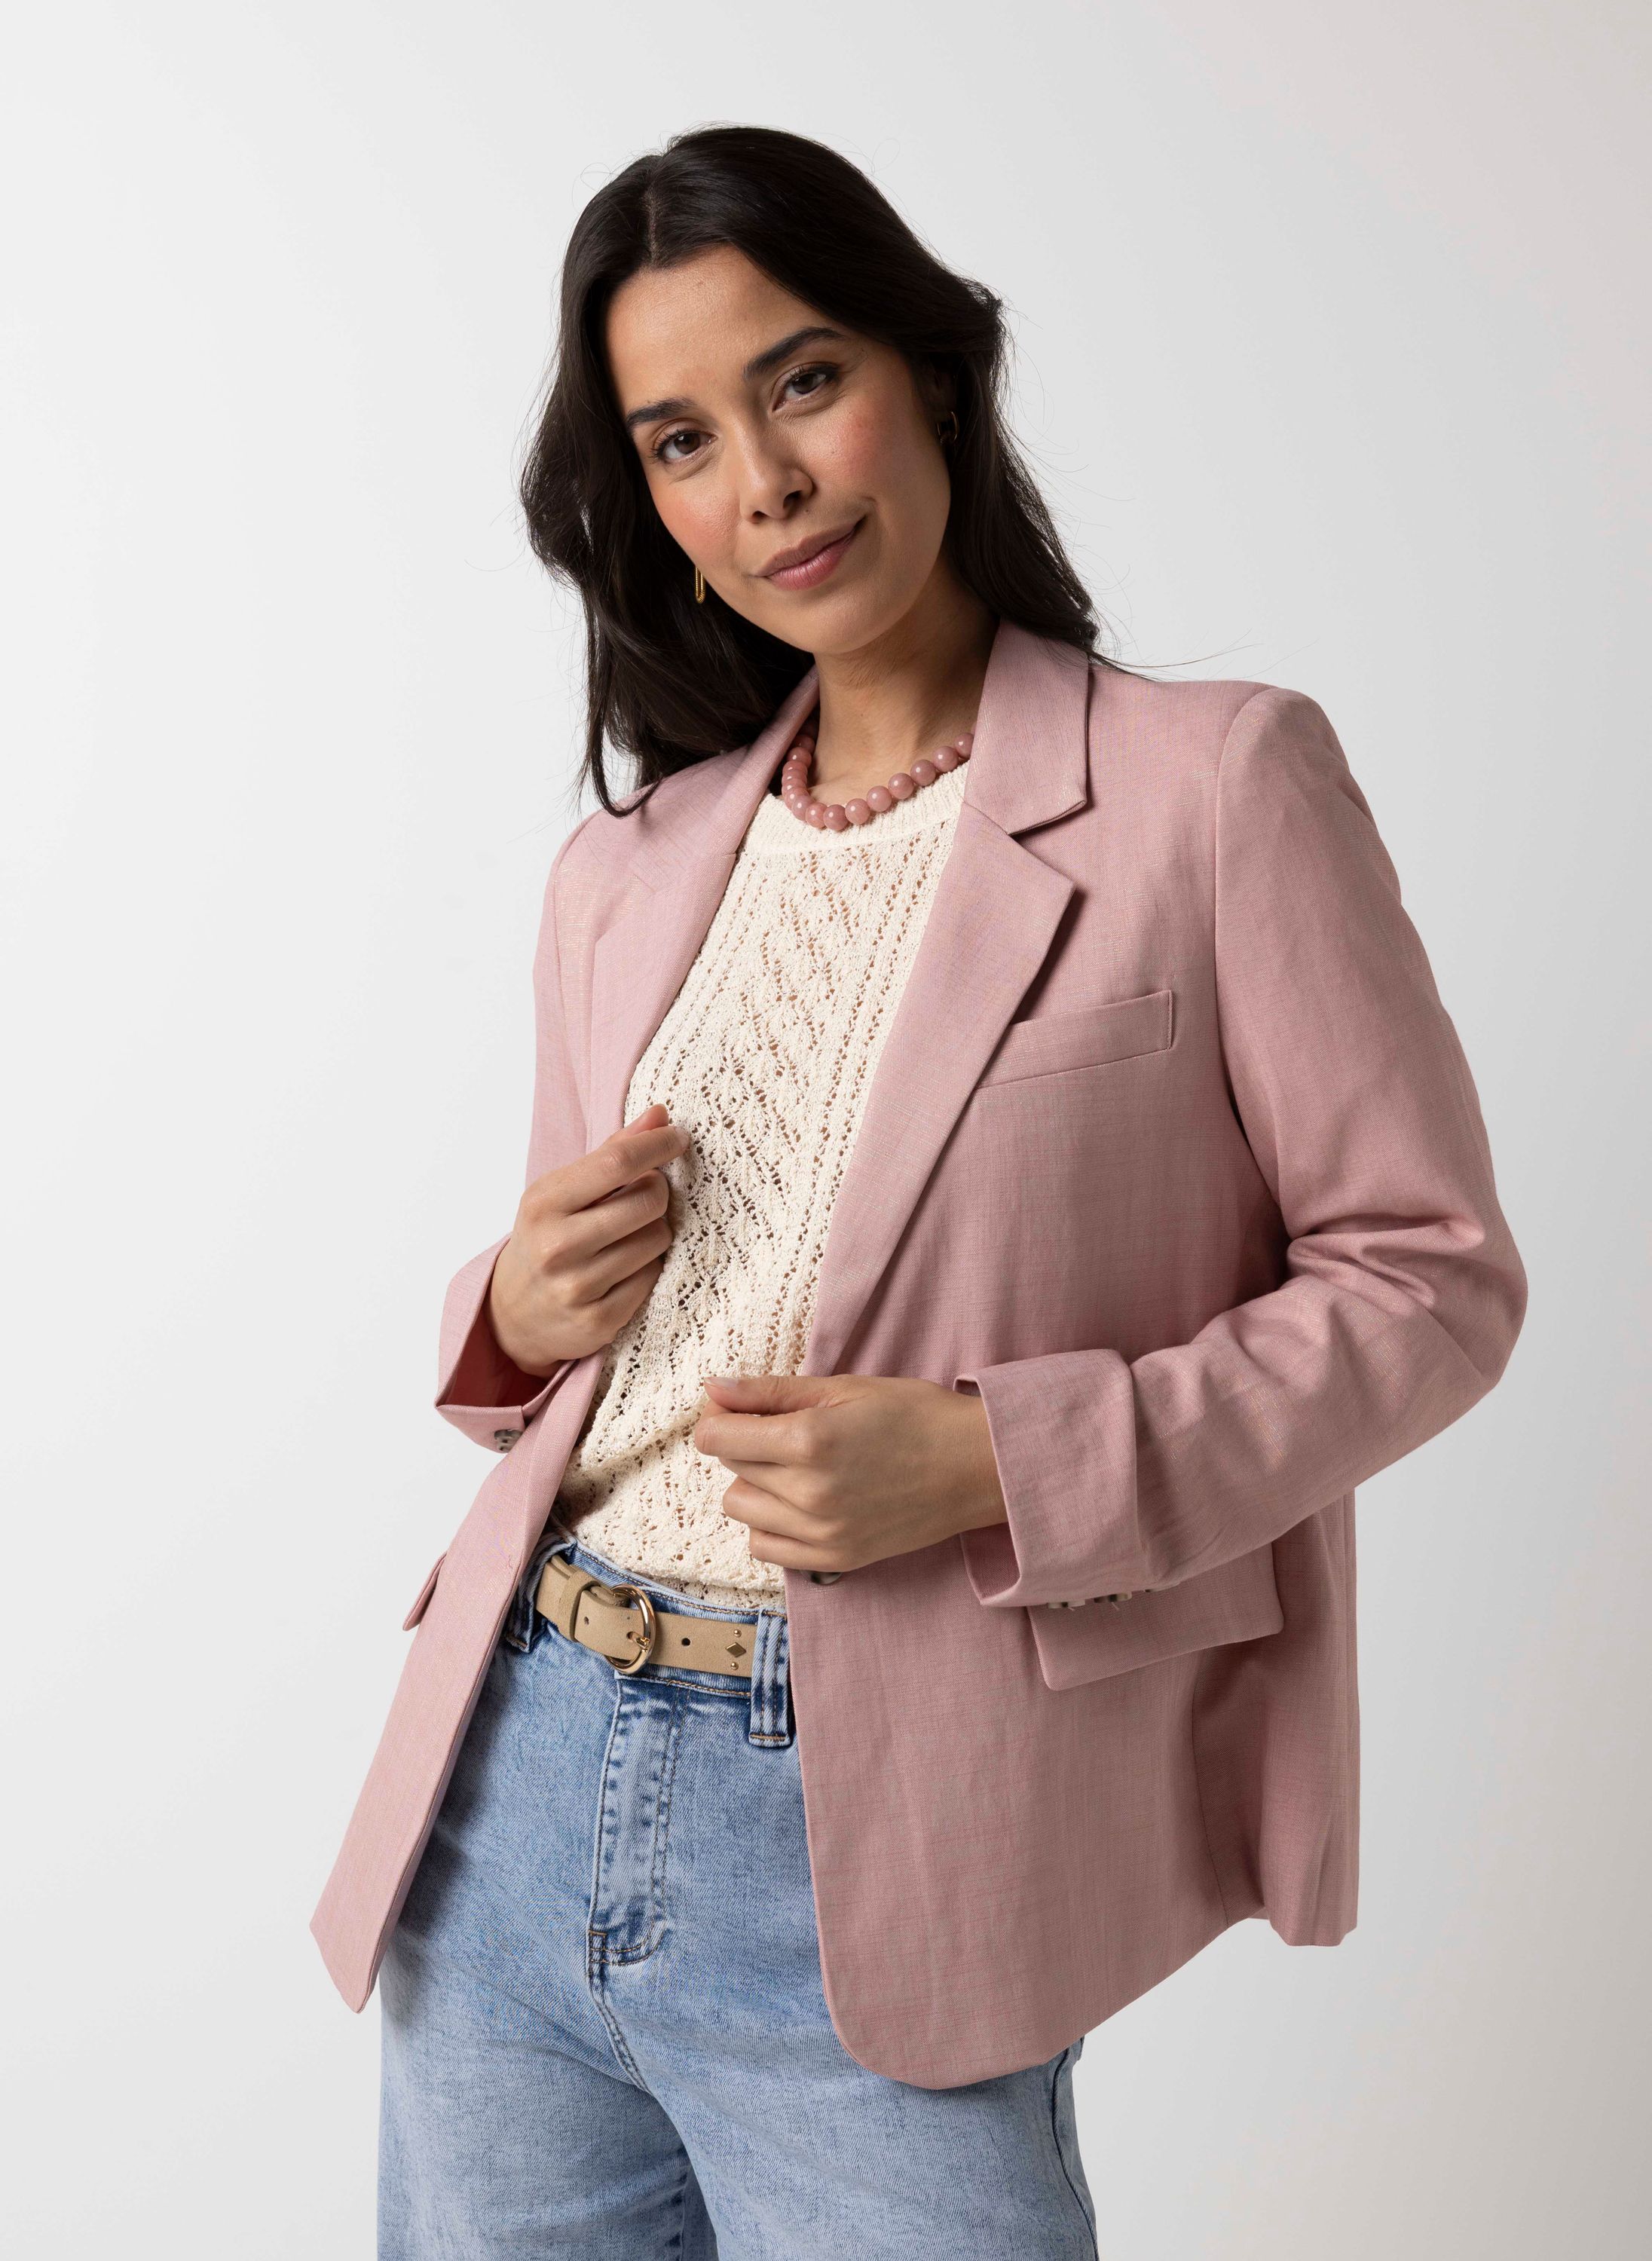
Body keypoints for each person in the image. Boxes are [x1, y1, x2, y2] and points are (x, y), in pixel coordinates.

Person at [312, 124, 1528, 2258]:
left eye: (804, 381)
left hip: (886, 1819)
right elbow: (574, 1366)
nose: (767, 483)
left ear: (935, 377)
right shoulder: (622, 873)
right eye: (683, 440)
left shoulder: (1215, 787)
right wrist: (513, 1307)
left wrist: (992, 1460)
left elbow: (1429, 1284)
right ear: (649, 507)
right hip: (512, 1780)